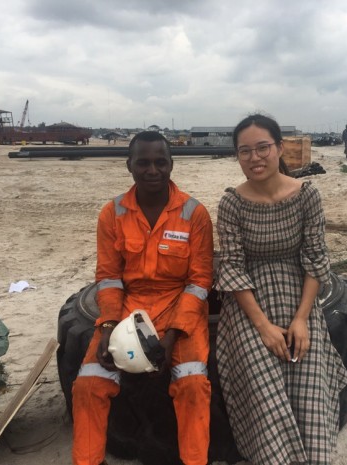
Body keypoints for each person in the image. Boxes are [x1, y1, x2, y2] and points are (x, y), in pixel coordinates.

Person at [72, 131, 214, 465]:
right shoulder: (112, 213)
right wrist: (107, 328)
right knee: (88, 385)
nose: (152, 170)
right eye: (143, 163)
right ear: (129, 166)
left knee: (193, 385)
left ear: (171, 165)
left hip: (181, 307)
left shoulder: (194, 213)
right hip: (127, 308)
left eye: (160, 162)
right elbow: (109, 277)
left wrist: (172, 336)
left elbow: (199, 281)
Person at [215, 113, 347, 464]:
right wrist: (262, 326)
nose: (254, 158)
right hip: (249, 301)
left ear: (278, 148)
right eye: (244, 151)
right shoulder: (232, 203)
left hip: (298, 292)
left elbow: (315, 257)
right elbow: (232, 266)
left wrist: (302, 318)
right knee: (262, 378)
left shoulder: (306, 196)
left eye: (262, 148)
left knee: (308, 372)